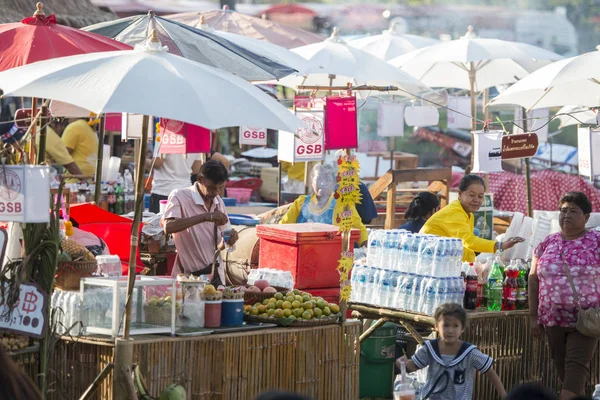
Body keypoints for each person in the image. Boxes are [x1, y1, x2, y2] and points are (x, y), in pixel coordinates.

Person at [529, 192, 600, 400]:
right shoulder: (547, 243)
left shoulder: (596, 241)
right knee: (564, 372)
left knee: (575, 369)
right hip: (552, 319)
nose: (566, 215)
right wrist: (534, 317)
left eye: (573, 211)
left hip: (585, 320)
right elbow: (533, 279)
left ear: (586, 217)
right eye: (563, 210)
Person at [396, 303, 506, 400]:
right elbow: (413, 366)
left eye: (455, 326)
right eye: (446, 325)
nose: (450, 330)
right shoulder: (430, 349)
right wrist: (403, 362)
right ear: (436, 327)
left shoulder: (469, 353)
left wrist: (504, 395)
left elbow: (489, 371)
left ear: (462, 328)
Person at [162, 160, 239, 284]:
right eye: (211, 188)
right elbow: (168, 227)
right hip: (187, 278)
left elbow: (221, 244)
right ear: (200, 179)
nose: (215, 193)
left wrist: (229, 240)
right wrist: (206, 217)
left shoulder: (218, 202)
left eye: (221, 188)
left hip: (214, 276)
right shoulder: (179, 196)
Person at [421, 174, 523, 262]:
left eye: (480, 197)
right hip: (428, 261)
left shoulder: (468, 213)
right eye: (471, 195)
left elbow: (466, 249)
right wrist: (500, 246)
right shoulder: (454, 213)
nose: (476, 200)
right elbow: (469, 242)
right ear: (460, 194)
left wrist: (473, 268)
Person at [280, 163, 368, 246]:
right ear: (312, 181)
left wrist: (367, 248)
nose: (322, 183)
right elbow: (283, 227)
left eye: (327, 179)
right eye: (319, 179)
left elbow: (360, 230)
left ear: (333, 183)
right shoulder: (300, 203)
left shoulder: (343, 205)